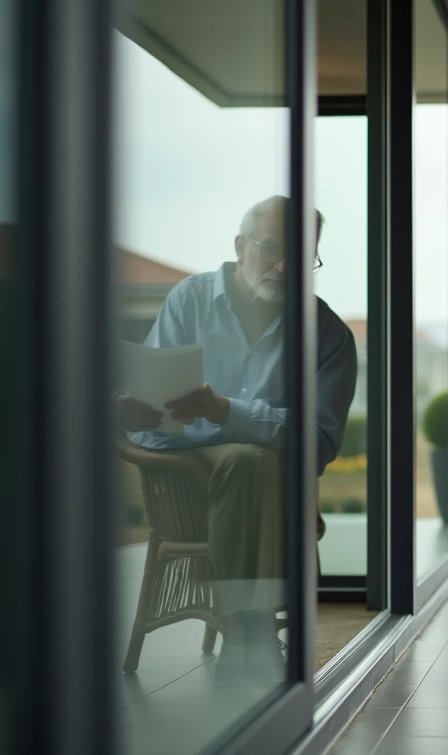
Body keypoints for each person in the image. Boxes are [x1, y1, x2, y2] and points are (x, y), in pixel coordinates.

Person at [115, 195, 357, 683]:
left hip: (269, 479)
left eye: (303, 255)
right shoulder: (190, 300)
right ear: (240, 246)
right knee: (253, 462)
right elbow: (152, 420)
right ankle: (251, 634)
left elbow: (319, 442)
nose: (285, 266)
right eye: (271, 249)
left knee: (252, 462)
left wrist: (227, 411)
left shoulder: (327, 333)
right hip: (183, 479)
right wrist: (128, 409)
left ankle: (244, 632)